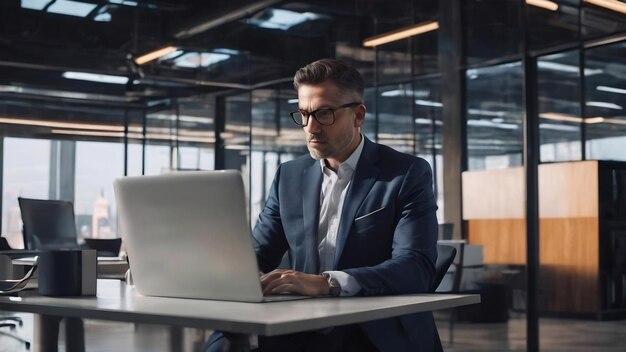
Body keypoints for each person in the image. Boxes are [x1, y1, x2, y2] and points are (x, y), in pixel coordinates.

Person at [207, 58, 438, 351]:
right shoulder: (288, 177)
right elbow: (257, 253)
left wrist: (328, 283)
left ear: (358, 115)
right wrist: (228, 272)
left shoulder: (405, 173)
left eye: (324, 113)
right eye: (304, 114)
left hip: (372, 331)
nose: (311, 127)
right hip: (298, 326)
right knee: (223, 341)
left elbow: (417, 267)